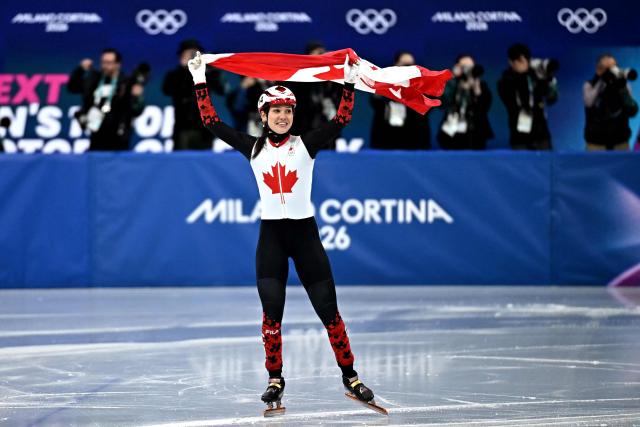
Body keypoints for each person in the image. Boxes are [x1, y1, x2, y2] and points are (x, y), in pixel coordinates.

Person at [187, 51, 376, 409]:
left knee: (329, 311)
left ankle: (351, 375)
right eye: (276, 111)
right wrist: (199, 79)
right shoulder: (252, 148)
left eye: (288, 110)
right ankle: (275, 379)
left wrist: (349, 83)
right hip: (271, 239)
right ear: (264, 115)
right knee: (271, 317)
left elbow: (341, 120)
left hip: (305, 237)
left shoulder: (306, 145)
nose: (283, 116)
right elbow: (211, 122)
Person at [67, 48, 145, 151]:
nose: (105, 66)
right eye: (103, 62)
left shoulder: (126, 82)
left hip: (119, 136)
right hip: (97, 133)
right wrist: (80, 70)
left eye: (109, 63)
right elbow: (72, 88)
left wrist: (137, 97)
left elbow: (136, 110)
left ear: (118, 64)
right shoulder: (94, 80)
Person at [163, 39, 227, 150]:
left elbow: (221, 90)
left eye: (194, 53)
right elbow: (167, 89)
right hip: (182, 128)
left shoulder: (207, 73)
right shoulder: (174, 75)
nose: (191, 56)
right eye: (188, 53)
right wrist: (185, 68)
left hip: (204, 128)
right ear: (181, 56)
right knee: (182, 162)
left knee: (203, 163)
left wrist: (208, 68)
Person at [497, 43, 558, 150]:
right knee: (521, 165)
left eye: (525, 60)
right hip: (519, 134)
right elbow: (511, 103)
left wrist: (547, 78)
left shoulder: (536, 76)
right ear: (511, 62)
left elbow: (551, 99)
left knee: (544, 164)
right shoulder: (504, 80)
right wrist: (524, 75)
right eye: (519, 61)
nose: (523, 64)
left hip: (541, 133)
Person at [370, 51, 431, 150]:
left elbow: (429, 106)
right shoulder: (385, 80)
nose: (407, 68)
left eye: (410, 65)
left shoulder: (421, 83)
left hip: (413, 137)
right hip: (387, 136)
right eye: (405, 65)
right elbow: (375, 102)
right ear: (396, 65)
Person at [583, 54, 638, 151]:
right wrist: (601, 80)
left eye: (614, 66)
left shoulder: (623, 85)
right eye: (607, 68)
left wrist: (622, 87)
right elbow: (589, 103)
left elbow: (632, 110)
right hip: (596, 144)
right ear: (598, 69)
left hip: (620, 143)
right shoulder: (589, 84)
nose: (611, 70)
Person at [437, 54, 493, 150]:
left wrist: (476, 89)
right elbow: (442, 103)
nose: (467, 70)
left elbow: (484, 107)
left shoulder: (481, 85)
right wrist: (453, 80)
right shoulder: (451, 84)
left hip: (475, 135)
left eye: (470, 67)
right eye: (464, 67)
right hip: (451, 133)